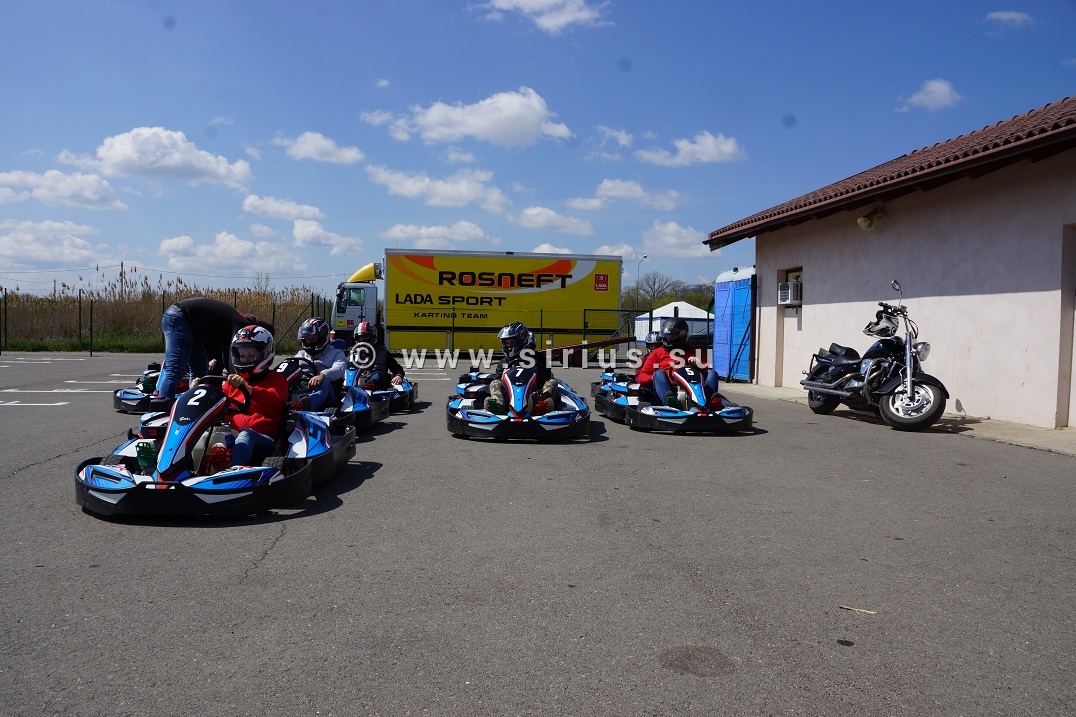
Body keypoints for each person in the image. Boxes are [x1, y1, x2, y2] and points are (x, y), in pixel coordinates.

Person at [155, 297, 274, 399]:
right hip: (179, 317)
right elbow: (234, 359)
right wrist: (240, 382)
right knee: (175, 370)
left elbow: (227, 356)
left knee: (200, 370)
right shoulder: (242, 326)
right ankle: (163, 407)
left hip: (191, 325)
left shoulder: (232, 325)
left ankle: (195, 404)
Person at [221, 325, 289, 467]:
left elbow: (276, 401)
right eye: (242, 356)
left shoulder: (277, 379)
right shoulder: (231, 382)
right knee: (208, 434)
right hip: (231, 434)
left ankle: (230, 472)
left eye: (251, 356)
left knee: (246, 434)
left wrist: (250, 390)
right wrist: (201, 388)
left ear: (264, 354)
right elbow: (218, 401)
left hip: (263, 439)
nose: (246, 360)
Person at [635, 318, 720, 409]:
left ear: (682, 335)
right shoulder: (657, 353)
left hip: (695, 388)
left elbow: (708, 372)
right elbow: (641, 376)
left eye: (672, 336)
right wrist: (654, 377)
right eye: (667, 336)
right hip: (670, 387)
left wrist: (699, 364)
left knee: (712, 373)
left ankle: (707, 402)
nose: (668, 339)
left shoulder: (695, 351)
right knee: (659, 373)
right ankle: (670, 402)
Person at [483, 321, 558, 415]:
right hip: (509, 396)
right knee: (495, 383)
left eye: (512, 342)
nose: (509, 346)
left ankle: (542, 406)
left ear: (522, 341)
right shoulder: (503, 363)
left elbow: (545, 379)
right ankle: (498, 406)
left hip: (534, 396)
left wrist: (537, 392)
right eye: (507, 343)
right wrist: (503, 378)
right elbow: (498, 383)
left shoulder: (539, 359)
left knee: (552, 382)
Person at [294, 317, 347, 411]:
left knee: (324, 382)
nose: (309, 341)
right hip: (304, 389)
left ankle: (308, 408)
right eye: (307, 339)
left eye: (312, 338)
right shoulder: (301, 355)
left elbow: (339, 369)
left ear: (323, 337)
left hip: (327, 395)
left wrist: (322, 375)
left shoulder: (336, 353)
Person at [355, 321, 405, 390]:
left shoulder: (382, 352)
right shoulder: (353, 352)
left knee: (377, 375)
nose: (363, 339)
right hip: (357, 383)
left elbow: (397, 368)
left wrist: (398, 376)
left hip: (377, 386)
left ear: (373, 337)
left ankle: (370, 386)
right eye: (361, 337)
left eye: (366, 336)